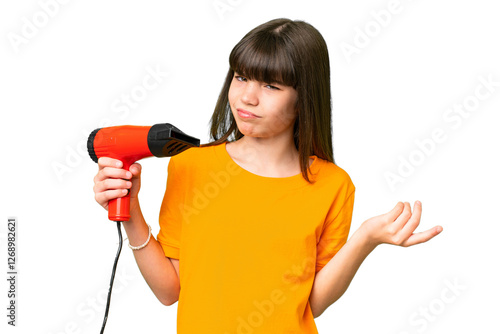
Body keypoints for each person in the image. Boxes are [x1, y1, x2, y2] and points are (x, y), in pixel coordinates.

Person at [92, 18, 443, 333]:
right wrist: (131, 208)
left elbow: (312, 304)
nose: (247, 97)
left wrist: (366, 238)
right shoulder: (191, 166)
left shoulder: (333, 185)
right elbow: (169, 291)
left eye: (271, 86)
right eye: (241, 77)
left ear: (303, 98)